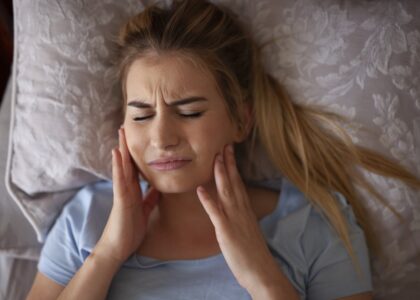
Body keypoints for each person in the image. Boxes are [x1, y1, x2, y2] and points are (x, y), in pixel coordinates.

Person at [26, 0, 420, 299]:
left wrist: (259, 273)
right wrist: (107, 254)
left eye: (191, 111)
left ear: (241, 120)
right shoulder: (86, 220)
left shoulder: (313, 226)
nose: (163, 137)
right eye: (142, 116)